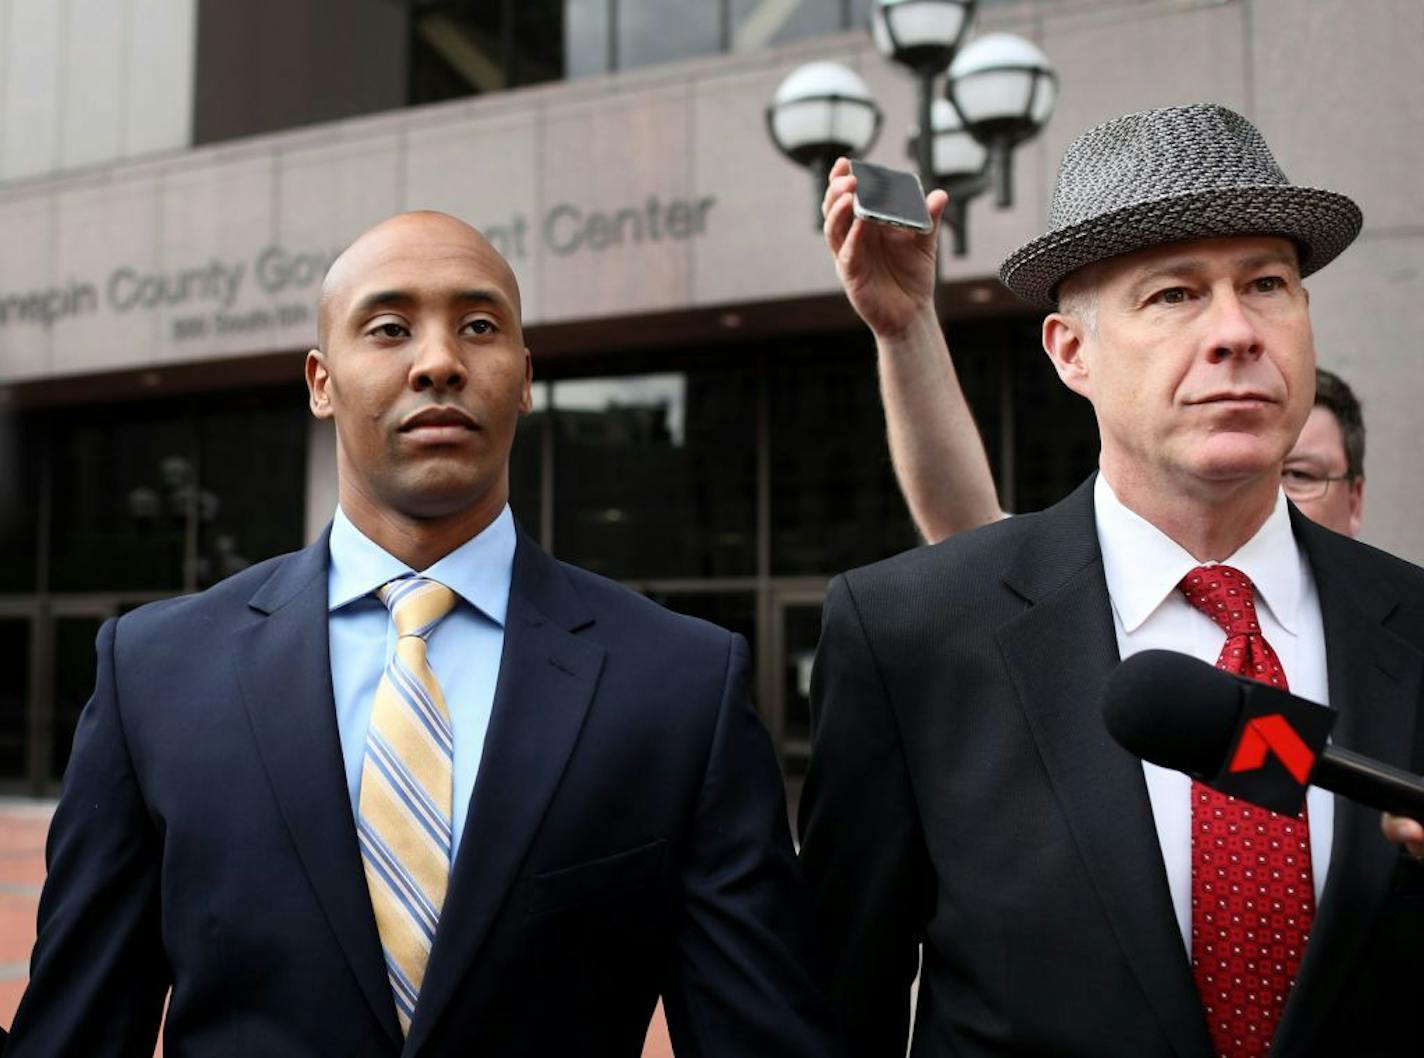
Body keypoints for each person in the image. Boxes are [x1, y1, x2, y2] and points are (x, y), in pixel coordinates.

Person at [5, 211, 835, 1057]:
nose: (439, 362)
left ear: (522, 378)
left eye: (479, 327)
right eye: (390, 328)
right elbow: (75, 1032)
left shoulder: (682, 683)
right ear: (321, 382)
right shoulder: (154, 672)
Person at [800, 104, 1424, 1058]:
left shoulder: (1412, 628)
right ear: (1070, 352)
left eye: (1267, 284)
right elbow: (838, 1010)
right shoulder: (913, 635)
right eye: (1173, 295)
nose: (1235, 332)